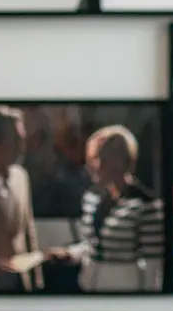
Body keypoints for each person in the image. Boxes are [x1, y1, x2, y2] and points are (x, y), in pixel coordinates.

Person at [57, 125, 165, 292]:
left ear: (118, 161)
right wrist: (69, 253)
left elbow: (153, 265)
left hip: (125, 294)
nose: (90, 165)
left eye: (96, 158)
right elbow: (92, 245)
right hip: (89, 288)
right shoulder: (91, 199)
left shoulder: (146, 205)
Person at [0, 105, 49, 292]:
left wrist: (37, 284)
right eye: (15, 141)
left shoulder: (21, 177)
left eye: (22, 140)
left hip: (21, 288)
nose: (22, 148)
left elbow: (28, 233)